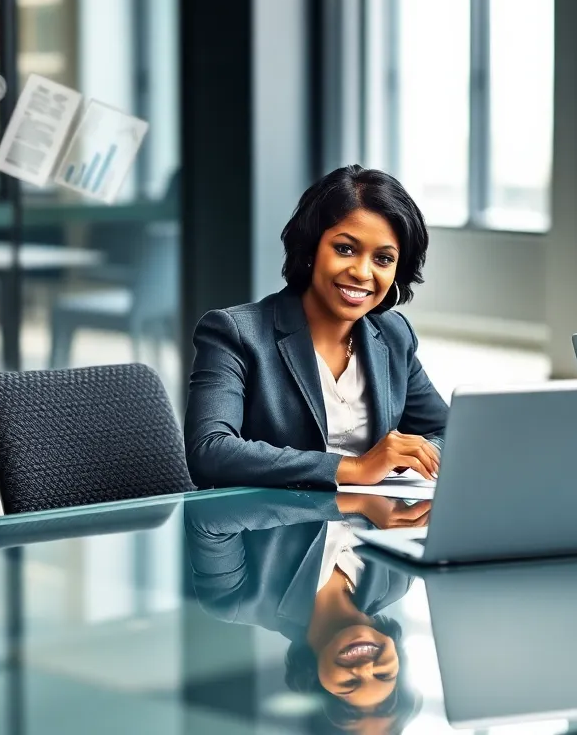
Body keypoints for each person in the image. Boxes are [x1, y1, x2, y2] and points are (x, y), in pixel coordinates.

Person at [186, 166, 448, 490]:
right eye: (345, 249)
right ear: (311, 249)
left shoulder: (394, 335)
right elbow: (210, 451)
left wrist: (419, 455)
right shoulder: (234, 334)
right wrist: (356, 468)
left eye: (383, 259)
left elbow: (449, 432)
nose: (362, 272)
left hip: (367, 528)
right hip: (268, 531)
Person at [186, 492, 426, 733]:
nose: (365, 668)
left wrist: (356, 501)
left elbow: (208, 518)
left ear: (315, 685)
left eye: (349, 684)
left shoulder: (234, 599)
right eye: (384, 675)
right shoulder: (399, 577)